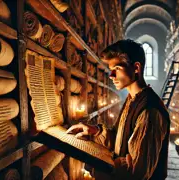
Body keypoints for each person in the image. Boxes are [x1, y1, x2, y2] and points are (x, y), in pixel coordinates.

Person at [66, 39, 170, 180]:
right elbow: (120, 141)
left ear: (136, 68)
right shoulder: (132, 99)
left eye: (117, 69)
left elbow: (136, 174)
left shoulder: (149, 111)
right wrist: (95, 131)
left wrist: (99, 168)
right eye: (111, 70)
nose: (111, 76)